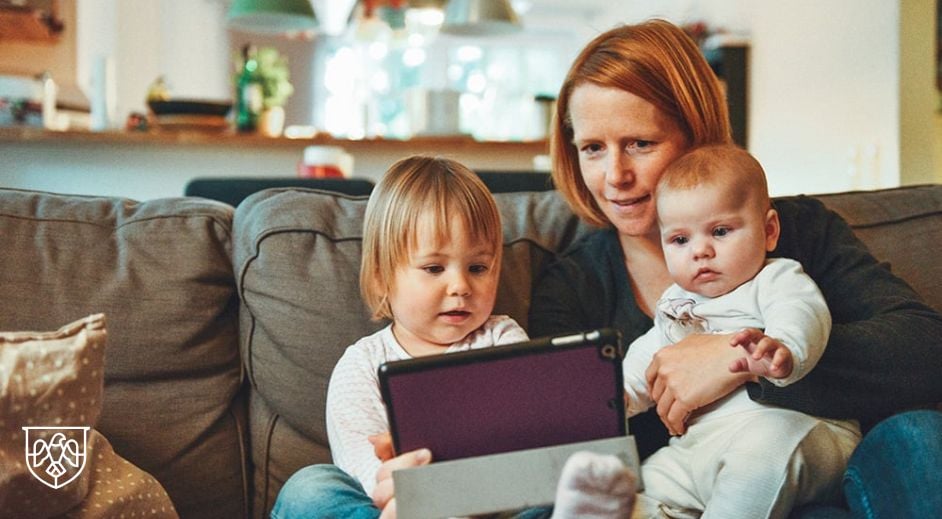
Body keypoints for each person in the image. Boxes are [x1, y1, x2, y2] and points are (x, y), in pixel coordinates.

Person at [527, 18, 942, 517]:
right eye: (593, 148)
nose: (616, 176)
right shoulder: (572, 285)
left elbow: (925, 350)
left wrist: (736, 360)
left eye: (640, 143)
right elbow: (565, 440)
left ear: (695, 137)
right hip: (674, 493)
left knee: (919, 435)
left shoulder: (795, 231)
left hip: (824, 477)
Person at [272, 155, 635, 519]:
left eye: (478, 268)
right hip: (399, 508)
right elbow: (363, 471)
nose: (460, 286)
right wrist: (408, 492)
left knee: (565, 482)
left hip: (494, 506)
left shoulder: (502, 338)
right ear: (383, 276)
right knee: (311, 488)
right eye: (433, 268)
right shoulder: (361, 364)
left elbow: (526, 442)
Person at [622, 144, 860, 517]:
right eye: (680, 240)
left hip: (793, 430)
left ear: (768, 231)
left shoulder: (775, 278)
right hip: (698, 448)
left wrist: (784, 348)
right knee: (628, 494)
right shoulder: (676, 303)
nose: (700, 251)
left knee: (759, 458)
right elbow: (650, 354)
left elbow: (802, 311)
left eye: (719, 231)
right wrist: (618, 395)